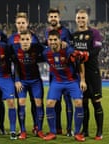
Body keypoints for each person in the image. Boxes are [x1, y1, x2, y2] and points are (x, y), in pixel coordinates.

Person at [42, 30, 87, 142]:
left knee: (78, 102)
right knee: (49, 103)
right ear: (48, 41)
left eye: (55, 40)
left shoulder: (68, 50)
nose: (53, 42)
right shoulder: (45, 53)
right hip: (57, 81)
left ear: (60, 40)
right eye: (50, 40)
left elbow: (81, 62)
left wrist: (82, 80)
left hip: (72, 81)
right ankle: (52, 132)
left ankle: (77, 133)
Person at [8, 12, 43, 135]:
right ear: (16, 24)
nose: (21, 25)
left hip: (34, 77)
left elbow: (41, 53)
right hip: (20, 77)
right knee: (21, 102)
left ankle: (37, 127)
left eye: (23, 22)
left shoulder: (34, 38)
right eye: (19, 23)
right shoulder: (11, 39)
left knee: (36, 102)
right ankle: (22, 130)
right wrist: (15, 78)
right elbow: (13, 60)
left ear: (27, 23)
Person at [72, 9, 104, 140]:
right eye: (78, 18)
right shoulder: (73, 36)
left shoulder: (94, 33)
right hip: (80, 74)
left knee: (96, 102)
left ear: (87, 19)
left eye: (83, 18)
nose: (80, 20)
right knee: (83, 103)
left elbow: (97, 48)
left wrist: (87, 54)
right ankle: (85, 131)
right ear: (76, 19)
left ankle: (99, 132)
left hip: (93, 73)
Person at [44, 8, 74, 136]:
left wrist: (67, 45)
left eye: (55, 16)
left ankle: (69, 129)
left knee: (68, 101)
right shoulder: (47, 32)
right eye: (51, 17)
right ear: (48, 19)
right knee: (55, 101)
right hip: (53, 73)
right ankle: (57, 128)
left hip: (66, 73)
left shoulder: (66, 32)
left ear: (59, 18)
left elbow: (72, 48)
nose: (53, 19)